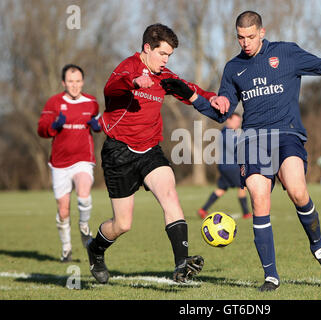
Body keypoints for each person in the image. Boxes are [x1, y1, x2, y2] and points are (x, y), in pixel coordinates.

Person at [163, 11, 321, 291]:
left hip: (287, 134)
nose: (245, 43)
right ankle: (271, 276)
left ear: (262, 32)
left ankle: (318, 247)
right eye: (240, 38)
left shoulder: (286, 53)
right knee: (259, 198)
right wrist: (191, 95)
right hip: (254, 140)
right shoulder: (233, 68)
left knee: (297, 190)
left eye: (250, 37)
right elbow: (222, 113)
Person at [86, 23, 229, 284]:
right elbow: (111, 88)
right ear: (147, 48)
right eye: (162, 54)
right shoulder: (128, 67)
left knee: (169, 192)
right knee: (122, 224)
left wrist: (214, 98)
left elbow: (189, 89)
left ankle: (181, 263)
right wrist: (133, 82)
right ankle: (95, 249)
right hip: (118, 151)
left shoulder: (164, 76)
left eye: (169, 56)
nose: (165, 61)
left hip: (150, 149)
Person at [38, 64, 101, 262]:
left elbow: (99, 124)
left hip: (83, 159)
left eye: (78, 81)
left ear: (83, 82)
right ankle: (66, 250)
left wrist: (98, 125)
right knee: (63, 209)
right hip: (59, 163)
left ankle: (84, 226)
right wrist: (54, 126)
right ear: (64, 83)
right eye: (71, 81)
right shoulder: (54, 103)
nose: (75, 85)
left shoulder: (91, 102)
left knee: (84, 192)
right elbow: (41, 129)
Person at [197, 113, 251, 219]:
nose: (238, 124)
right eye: (236, 121)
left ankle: (203, 209)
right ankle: (246, 213)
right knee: (242, 187)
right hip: (231, 166)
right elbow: (236, 149)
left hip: (224, 166)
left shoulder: (226, 132)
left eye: (239, 122)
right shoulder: (228, 133)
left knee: (221, 189)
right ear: (228, 120)